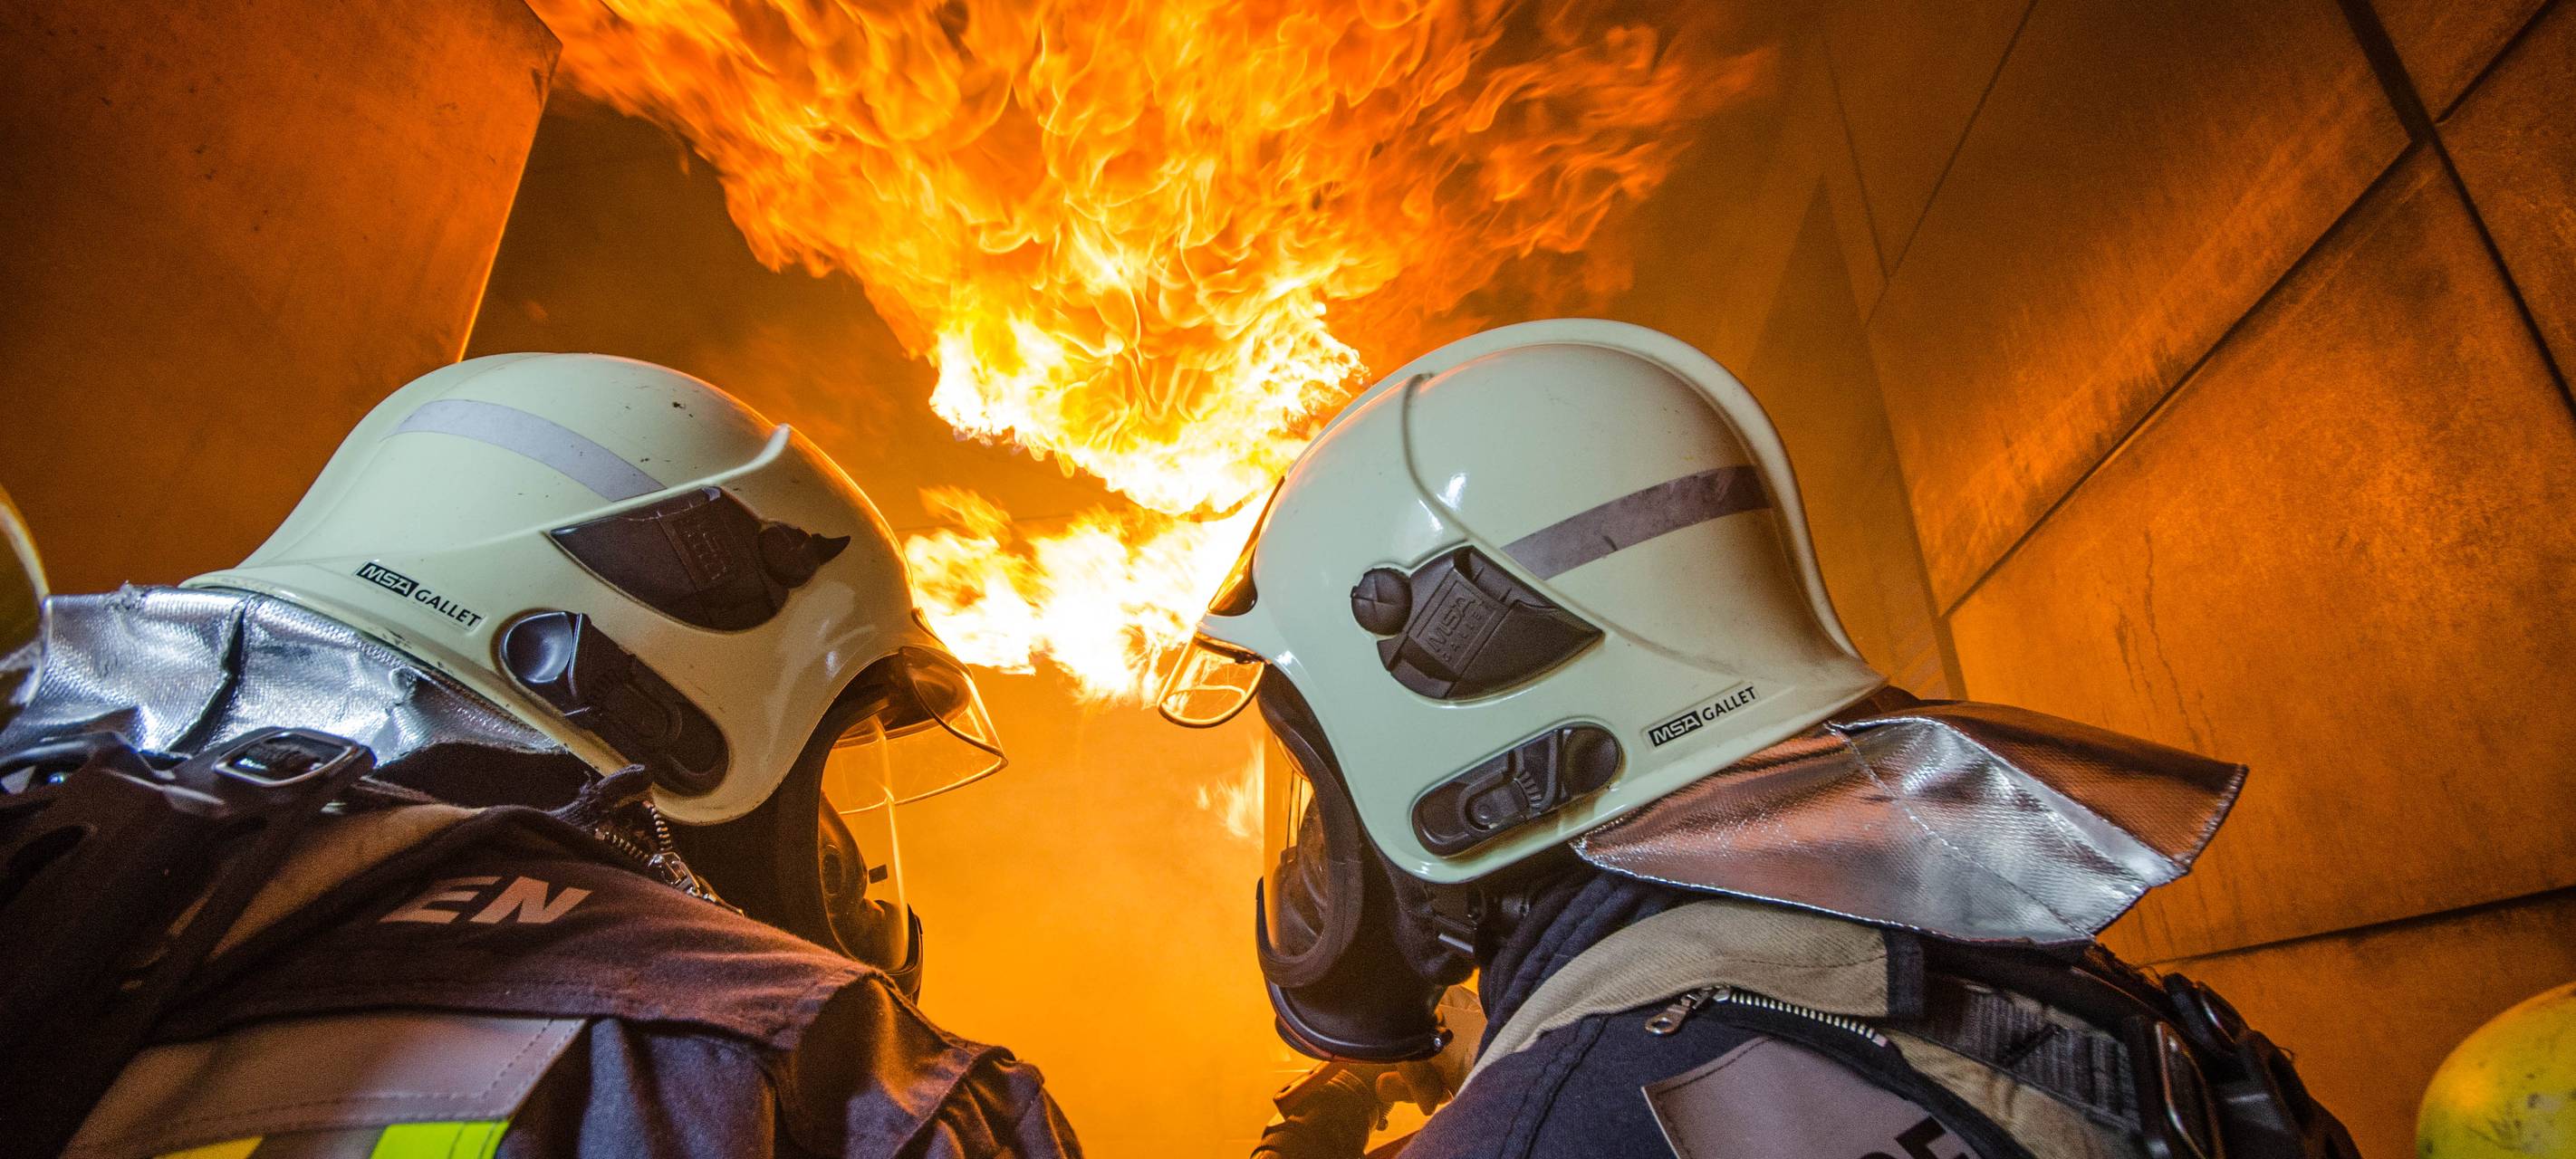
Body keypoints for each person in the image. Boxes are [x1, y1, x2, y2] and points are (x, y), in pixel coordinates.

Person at [1158, 320, 2356, 1159]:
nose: (1325, 839)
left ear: (1485, 764)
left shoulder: (1566, 1123)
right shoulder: (2021, 978)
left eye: (1322, 775)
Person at [0, 354, 1081, 1158]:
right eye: (823, 782)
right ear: (644, 701)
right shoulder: (799, 1062)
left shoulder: (54, 842)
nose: (839, 859)